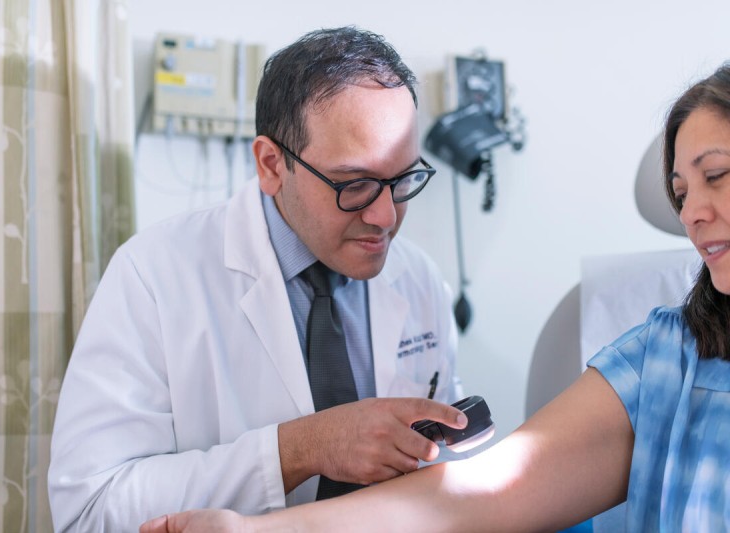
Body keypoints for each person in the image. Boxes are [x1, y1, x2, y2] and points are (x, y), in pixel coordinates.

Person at [138, 63, 730, 533]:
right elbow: (477, 492)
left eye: (718, 174)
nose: (692, 214)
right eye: (680, 191)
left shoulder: (416, 279)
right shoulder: (666, 359)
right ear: (272, 164)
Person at [48, 26, 466, 532]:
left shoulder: (418, 278)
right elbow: (90, 508)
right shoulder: (154, 276)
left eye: (403, 180)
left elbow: (441, 466)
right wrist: (300, 449)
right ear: (272, 164)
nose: (385, 216)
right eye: (354, 184)